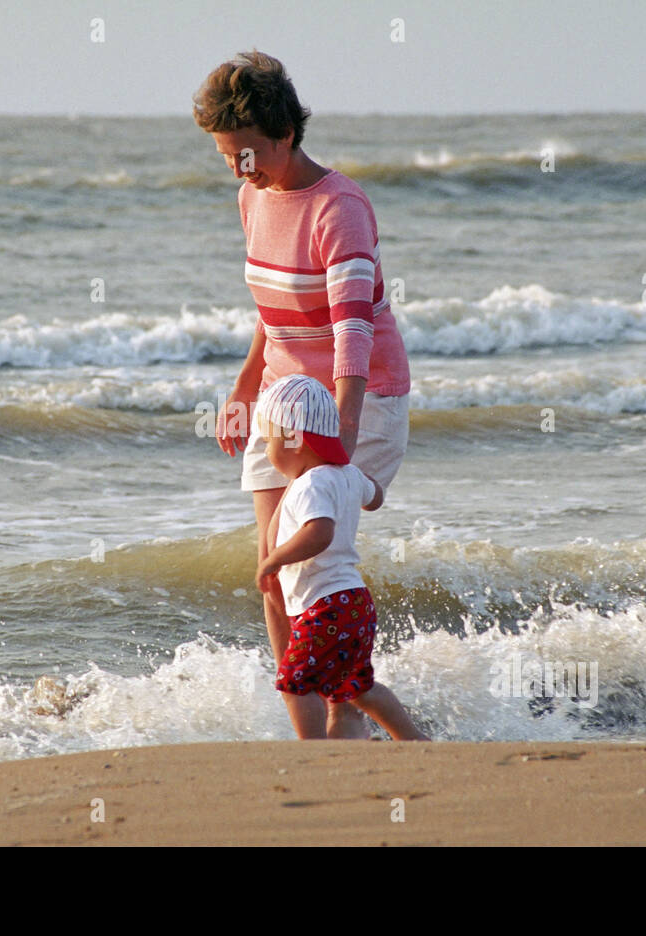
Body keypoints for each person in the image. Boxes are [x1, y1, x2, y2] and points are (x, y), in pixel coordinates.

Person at [192, 50, 412, 738]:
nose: (238, 169)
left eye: (247, 153)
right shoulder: (252, 196)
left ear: (285, 134)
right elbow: (272, 305)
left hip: (360, 392)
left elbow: (353, 327)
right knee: (273, 566)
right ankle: (309, 740)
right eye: (227, 155)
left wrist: (344, 429)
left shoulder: (339, 209)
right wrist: (243, 386)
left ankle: (351, 716)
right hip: (286, 394)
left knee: (317, 557)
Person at [252, 375, 427, 740]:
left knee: (295, 684)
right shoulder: (346, 474)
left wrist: (273, 560)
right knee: (358, 687)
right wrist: (364, 485)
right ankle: (413, 739)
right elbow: (375, 497)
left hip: (324, 607)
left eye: (269, 440)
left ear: (294, 441)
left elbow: (319, 533)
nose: (267, 451)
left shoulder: (309, 484)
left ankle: (313, 749)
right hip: (355, 602)